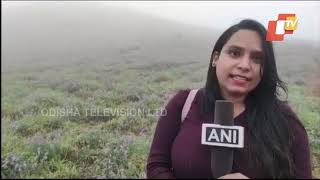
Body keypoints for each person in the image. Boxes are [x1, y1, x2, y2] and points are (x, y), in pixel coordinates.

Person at [146, 19, 312, 179]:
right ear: (215, 59)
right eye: (234, 53)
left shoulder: (285, 121)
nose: (245, 65)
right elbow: (157, 167)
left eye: (257, 59)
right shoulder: (183, 104)